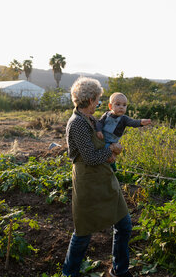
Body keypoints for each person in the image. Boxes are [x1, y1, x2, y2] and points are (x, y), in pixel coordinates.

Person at [62, 77, 133, 277]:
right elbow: (91, 158)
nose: (99, 105)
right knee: (83, 233)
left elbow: (98, 150)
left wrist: (111, 153)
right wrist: (111, 149)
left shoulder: (92, 119)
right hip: (89, 183)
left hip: (105, 178)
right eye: (99, 101)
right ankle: (69, 274)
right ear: (91, 99)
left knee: (124, 224)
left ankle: (119, 270)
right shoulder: (77, 123)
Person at [96, 92, 152, 171]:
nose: (121, 107)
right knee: (103, 151)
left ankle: (112, 166)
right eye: (118, 104)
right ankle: (103, 166)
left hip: (112, 142)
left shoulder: (124, 119)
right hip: (102, 138)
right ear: (110, 106)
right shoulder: (106, 115)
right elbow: (99, 123)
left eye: (124, 105)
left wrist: (140, 122)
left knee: (109, 152)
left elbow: (132, 122)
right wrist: (98, 131)